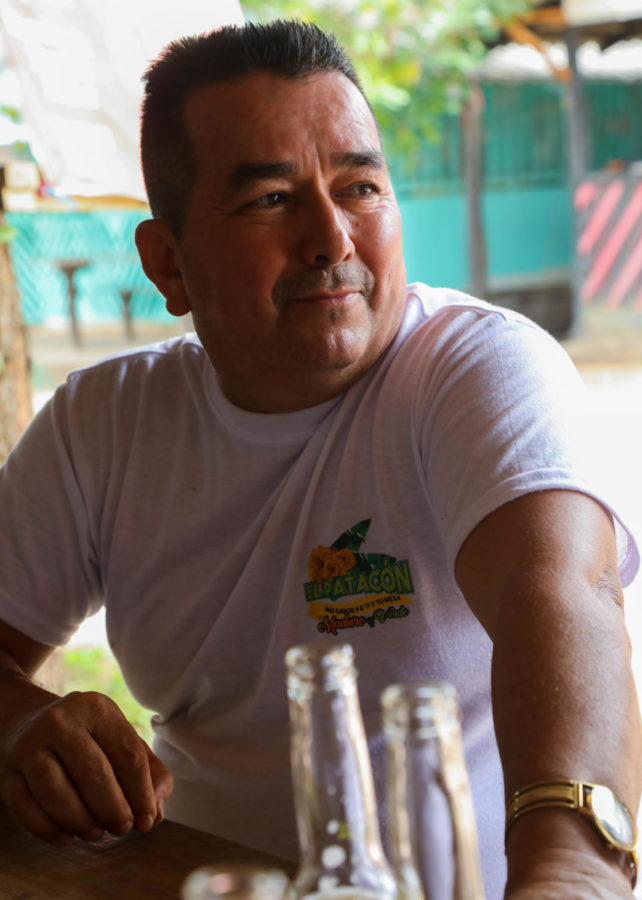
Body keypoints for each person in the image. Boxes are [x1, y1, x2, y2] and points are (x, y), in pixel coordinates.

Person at [0, 19, 639, 899]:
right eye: (270, 200)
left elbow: (563, 595)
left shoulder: (476, 367)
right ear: (168, 264)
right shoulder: (103, 425)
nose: (332, 239)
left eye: (361, 187)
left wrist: (574, 871)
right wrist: (25, 724)